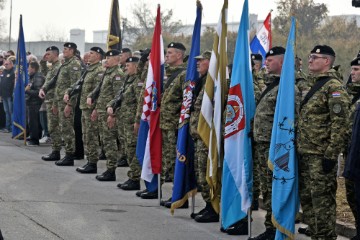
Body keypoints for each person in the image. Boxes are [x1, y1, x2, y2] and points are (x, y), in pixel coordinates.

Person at [297, 45, 350, 239]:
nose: (310, 60)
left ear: (326, 61)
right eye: (310, 57)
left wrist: (330, 154)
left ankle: (326, 237)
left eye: (315, 57)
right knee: (308, 200)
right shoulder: (312, 84)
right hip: (306, 153)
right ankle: (316, 235)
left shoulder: (334, 87)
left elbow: (341, 124)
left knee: (323, 203)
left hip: (321, 156)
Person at [250, 47, 286, 240]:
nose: (266, 63)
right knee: (266, 188)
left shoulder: (287, 87)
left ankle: (274, 228)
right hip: (262, 144)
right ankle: (270, 228)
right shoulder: (272, 84)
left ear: (281, 62)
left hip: (274, 146)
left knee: (273, 189)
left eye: (270, 60)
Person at [187, 50, 219, 222]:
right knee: (200, 174)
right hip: (198, 136)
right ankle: (208, 206)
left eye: (203, 61)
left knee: (207, 174)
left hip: (208, 137)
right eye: (198, 61)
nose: (198, 63)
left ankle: (213, 209)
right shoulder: (201, 82)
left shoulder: (213, 84)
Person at [87, 49, 125, 181]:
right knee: (105, 141)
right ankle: (109, 169)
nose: (107, 60)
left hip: (110, 114)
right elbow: (102, 94)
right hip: (102, 112)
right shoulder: (107, 73)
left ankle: (111, 170)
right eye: (106, 57)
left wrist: (113, 115)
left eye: (110, 57)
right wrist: (96, 109)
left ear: (117, 59)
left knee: (110, 142)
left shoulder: (117, 74)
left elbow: (118, 97)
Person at [107, 56, 142, 190]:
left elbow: (140, 102)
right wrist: (110, 106)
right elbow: (119, 97)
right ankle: (132, 176)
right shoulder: (127, 80)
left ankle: (135, 178)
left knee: (132, 149)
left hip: (131, 121)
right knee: (127, 148)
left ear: (136, 67)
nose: (125, 68)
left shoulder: (138, 82)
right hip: (123, 121)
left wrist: (137, 121)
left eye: (128, 66)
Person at [70, 47, 105, 174]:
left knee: (92, 136)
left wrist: (95, 108)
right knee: (86, 135)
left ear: (98, 56)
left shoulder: (99, 71)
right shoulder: (89, 70)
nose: (88, 55)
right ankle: (89, 160)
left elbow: (98, 92)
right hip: (84, 107)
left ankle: (93, 163)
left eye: (91, 53)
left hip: (91, 109)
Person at [343, 55, 360, 240]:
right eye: (352, 69)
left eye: (356, 70)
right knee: (352, 195)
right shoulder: (349, 93)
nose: (352, 73)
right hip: (350, 152)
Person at [39, 46, 63, 161]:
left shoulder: (59, 67)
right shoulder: (53, 67)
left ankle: (56, 151)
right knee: (52, 127)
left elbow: (58, 87)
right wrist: (43, 62)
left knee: (54, 127)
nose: (46, 56)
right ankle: (55, 150)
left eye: (48, 54)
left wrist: (55, 103)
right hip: (49, 100)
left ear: (55, 54)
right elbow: (45, 75)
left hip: (54, 101)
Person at [25, 61, 45, 146]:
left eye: (29, 67)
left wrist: (27, 91)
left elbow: (38, 92)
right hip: (31, 102)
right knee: (32, 121)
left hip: (35, 102)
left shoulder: (38, 77)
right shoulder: (32, 76)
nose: (28, 69)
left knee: (34, 122)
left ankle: (34, 139)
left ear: (33, 68)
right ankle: (33, 136)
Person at [0, 57, 15, 133]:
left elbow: (13, 84)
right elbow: (2, 83)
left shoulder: (13, 72)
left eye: (7, 64)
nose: (5, 65)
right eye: (5, 64)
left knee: (11, 111)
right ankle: (7, 127)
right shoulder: (4, 71)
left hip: (10, 95)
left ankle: (12, 128)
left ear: (11, 64)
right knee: (6, 111)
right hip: (4, 94)